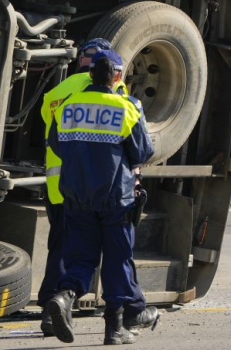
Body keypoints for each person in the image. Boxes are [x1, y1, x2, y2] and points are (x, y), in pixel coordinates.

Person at [38, 41, 157, 337]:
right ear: (117, 77)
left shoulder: (68, 107)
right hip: (115, 198)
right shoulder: (125, 108)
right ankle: (114, 329)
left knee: (81, 258)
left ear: (90, 74)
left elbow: (56, 145)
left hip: (77, 196)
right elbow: (143, 152)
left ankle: (63, 296)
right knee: (117, 260)